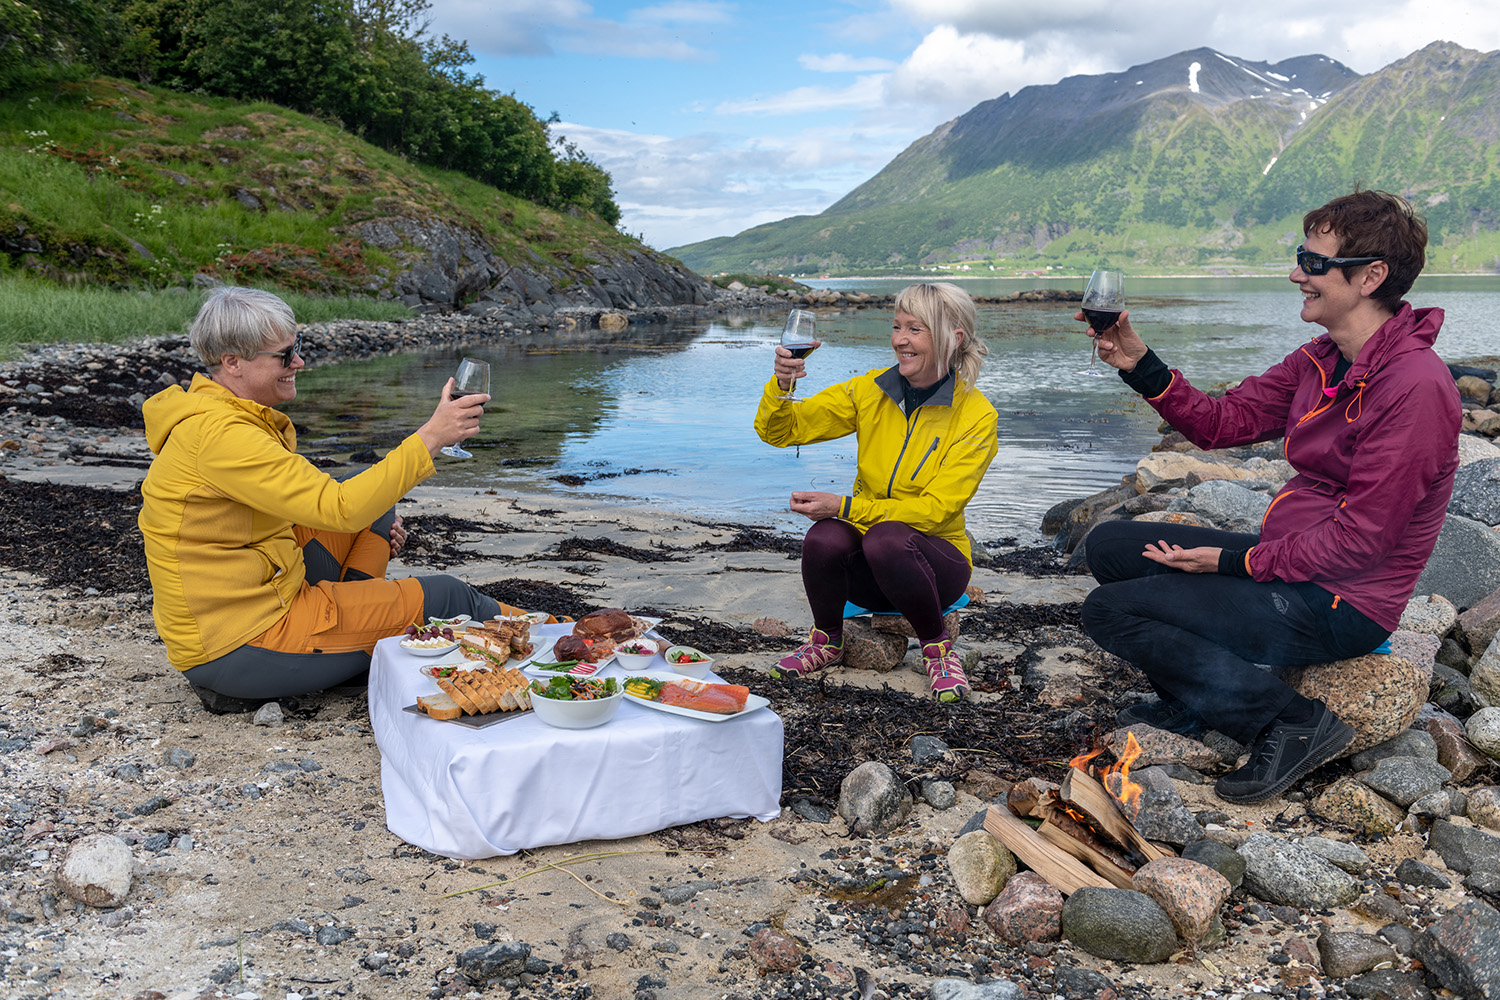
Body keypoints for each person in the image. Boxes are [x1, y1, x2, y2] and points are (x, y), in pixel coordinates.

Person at [1079, 190, 1461, 803]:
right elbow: (1221, 423)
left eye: (1313, 263)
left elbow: (1363, 541)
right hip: (1295, 566)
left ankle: (1289, 722)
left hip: (1343, 601)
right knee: (1115, 547)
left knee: (1110, 610)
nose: (1295, 274)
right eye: (1299, 257)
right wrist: (1137, 361)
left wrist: (1236, 563)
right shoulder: (1321, 359)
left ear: (1371, 277)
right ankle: (1196, 698)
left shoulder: (1413, 386)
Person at [139, 286, 507, 711]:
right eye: (284, 355)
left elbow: (325, 510)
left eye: (298, 347)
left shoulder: (218, 415)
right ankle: (571, 640)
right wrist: (433, 436)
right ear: (232, 363)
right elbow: (342, 508)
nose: (298, 362)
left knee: (377, 514)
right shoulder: (221, 435)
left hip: (244, 608)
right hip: (242, 647)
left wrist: (370, 530)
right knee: (449, 599)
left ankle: (355, 636)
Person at [754, 283, 999, 701]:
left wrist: (845, 505)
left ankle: (938, 651)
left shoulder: (977, 417)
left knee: (887, 537)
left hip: (937, 570)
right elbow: (781, 431)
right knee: (824, 536)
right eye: (897, 326)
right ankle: (826, 642)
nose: (900, 340)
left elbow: (936, 511)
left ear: (953, 338)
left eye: (915, 329)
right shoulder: (870, 390)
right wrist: (782, 384)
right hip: (870, 574)